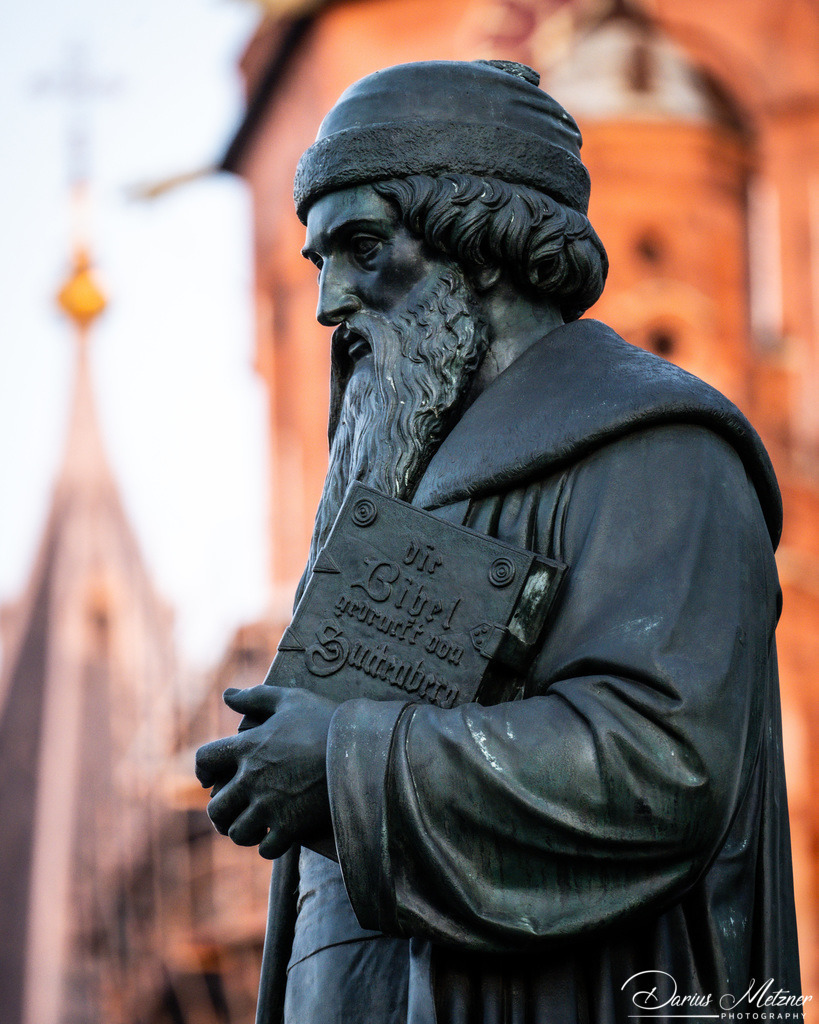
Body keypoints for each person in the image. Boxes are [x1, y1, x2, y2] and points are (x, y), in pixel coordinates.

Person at [196, 60, 801, 1024]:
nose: (328, 304)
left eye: (362, 247)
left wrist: (340, 762)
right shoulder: (396, 493)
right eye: (317, 264)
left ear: (481, 243)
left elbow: (664, 767)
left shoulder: (658, 451)